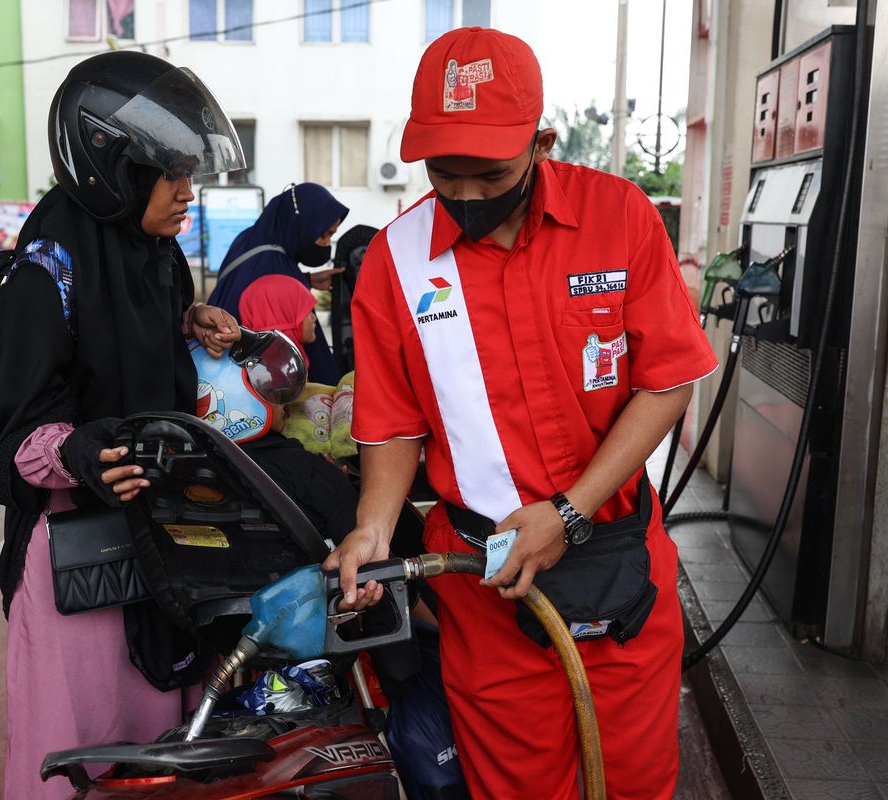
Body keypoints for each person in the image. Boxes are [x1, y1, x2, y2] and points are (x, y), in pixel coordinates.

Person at [325, 27, 719, 799]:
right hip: (484, 584)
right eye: (446, 174)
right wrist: (373, 528)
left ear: (541, 144)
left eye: (491, 173)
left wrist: (569, 512)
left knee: (633, 784)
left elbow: (669, 381)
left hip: (618, 570)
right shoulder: (396, 264)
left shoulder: (620, 217)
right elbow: (394, 423)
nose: (467, 196)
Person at [0, 51, 246, 799]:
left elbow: (125, 347)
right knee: (78, 752)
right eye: (171, 173)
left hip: (156, 540)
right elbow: (14, 429)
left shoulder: (156, 257)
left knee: (156, 754)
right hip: (76, 565)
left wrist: (193, 321)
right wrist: (81, 451)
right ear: (111, 169)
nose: (189, 192)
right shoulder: (43, 272)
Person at [206, 183, 348, 385]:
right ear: (299, 223)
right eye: (322, 234)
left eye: (331, 235)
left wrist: (306, 279)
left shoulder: (249, 239)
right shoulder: (278, 269)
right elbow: (305, 349)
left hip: (217, 370)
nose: (326, 243)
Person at [238, 274, 319, 365]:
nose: (313, 317)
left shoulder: (253, 364)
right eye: (306, 311)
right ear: (285, 315)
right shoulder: (282, 370)